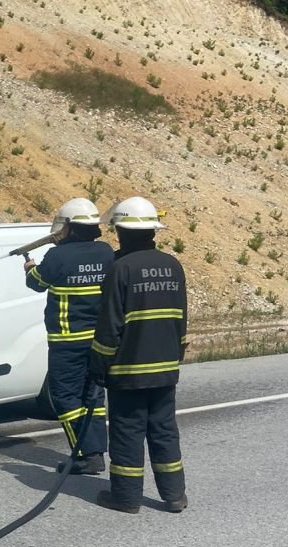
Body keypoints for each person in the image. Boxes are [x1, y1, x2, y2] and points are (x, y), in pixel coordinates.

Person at [88, 196, 188, 514]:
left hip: (129, 370)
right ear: (153, 232)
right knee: (163, 429)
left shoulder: (120, 269)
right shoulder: (174, 266)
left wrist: (98, 364)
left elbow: (110, 326)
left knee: (127, 431)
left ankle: (127, 497)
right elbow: (180, 320)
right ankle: (174, 495)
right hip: (165, 368)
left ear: (122, 231)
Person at [24, 198, 114, 474]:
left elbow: (36, 283)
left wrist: (30, 267)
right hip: (98, 339)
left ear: (70, 228)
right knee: (92, 398)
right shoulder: (105, 251)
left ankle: (86, 454)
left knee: (64, 397)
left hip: (68, 340)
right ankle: (96, 448)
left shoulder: (58, 256)